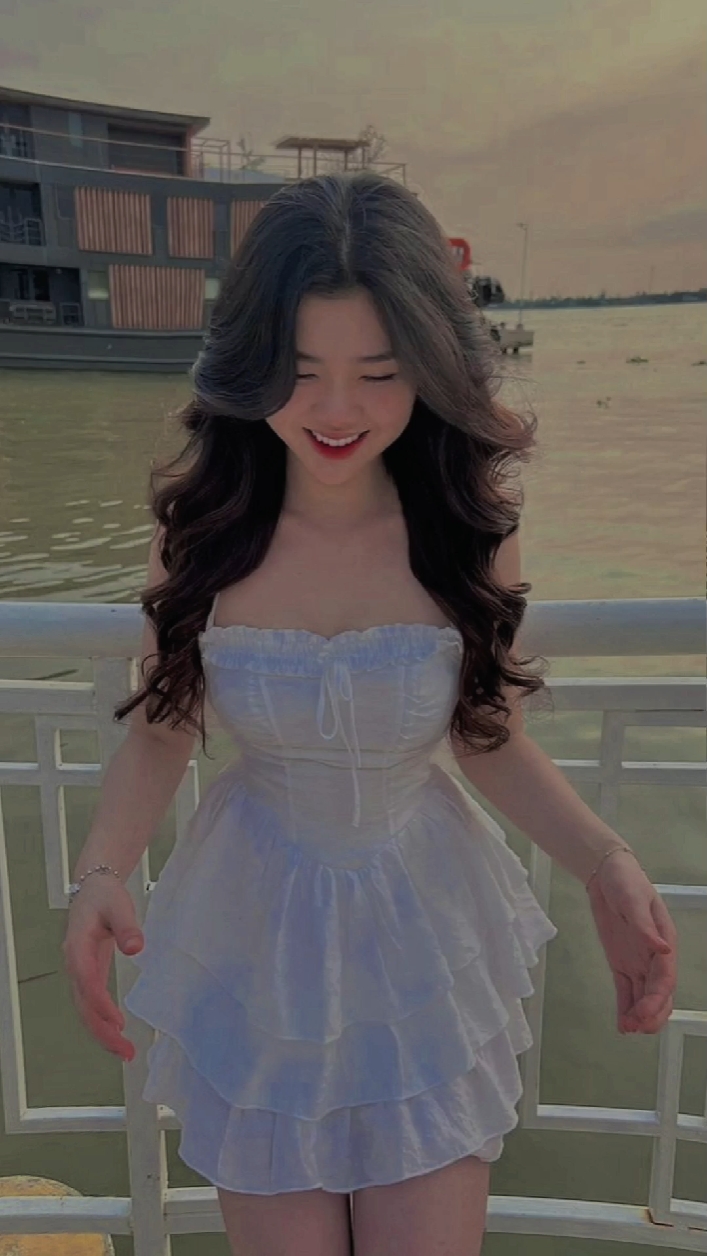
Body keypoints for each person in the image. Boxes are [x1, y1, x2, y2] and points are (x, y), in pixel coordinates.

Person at [62, 171, 677, 1256]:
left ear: (428, 366)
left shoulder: (465, 525)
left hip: (418, 918)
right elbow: (162, 725)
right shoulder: (202, 525)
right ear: (252, 365)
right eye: (300, 374)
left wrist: (605, 863)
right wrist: (102, 871)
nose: (337, 411)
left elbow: (488, 737)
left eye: (378, 374)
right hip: (255, 925)